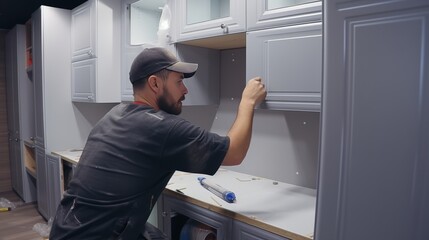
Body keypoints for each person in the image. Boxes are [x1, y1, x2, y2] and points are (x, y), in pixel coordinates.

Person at [49, 47, 266, 239]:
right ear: (154, 83)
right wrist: (247, 102)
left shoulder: (116, 113)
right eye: (179, 81)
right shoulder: (162, 127)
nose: (185, 90)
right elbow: (234, 152)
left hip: (67, 228)